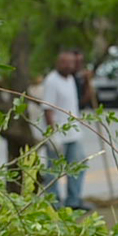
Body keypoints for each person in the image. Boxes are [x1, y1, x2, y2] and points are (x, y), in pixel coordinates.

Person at [37, 49, 91, 212]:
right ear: (58, 63)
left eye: (71, 63)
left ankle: (73, 201)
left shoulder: (71, 79)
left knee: (78, 165)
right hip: (58, 135)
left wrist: (88, 81)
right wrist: (52, 135)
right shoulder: (52, 81)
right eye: (65, 63)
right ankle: (53, 203)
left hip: (73, 134)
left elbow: (82, 101)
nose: (68, 66)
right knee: (53, 171)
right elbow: (48, 109)